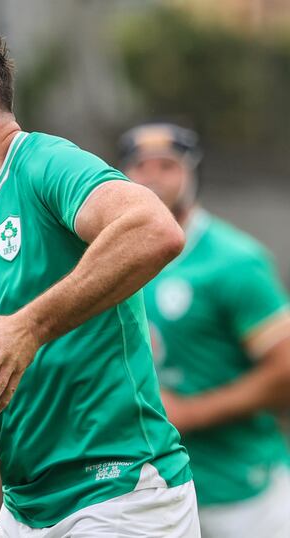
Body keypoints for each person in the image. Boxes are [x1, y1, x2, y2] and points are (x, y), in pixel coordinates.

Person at [0, 17, 200, 537]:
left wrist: (28, 326)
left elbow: (154, 230)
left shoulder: (45, 165)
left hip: (121, 492)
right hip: (25, 508)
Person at [119, 122, 290, 538]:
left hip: (241, 488)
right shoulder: (105, 263)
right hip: (144, 494)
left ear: (193, 176)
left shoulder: (234, 260)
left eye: (167, 166)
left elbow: (285, 371)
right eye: (141, 166)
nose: (153, 176)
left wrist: (190, 413)